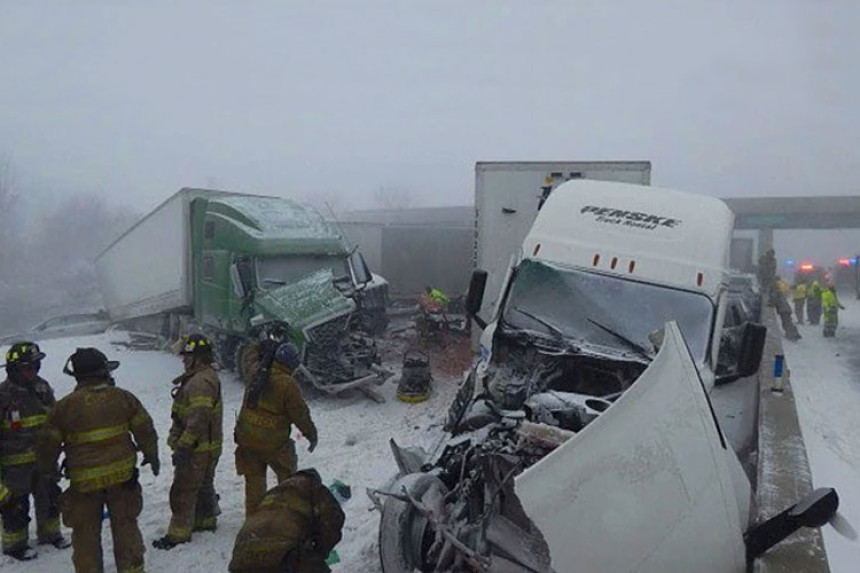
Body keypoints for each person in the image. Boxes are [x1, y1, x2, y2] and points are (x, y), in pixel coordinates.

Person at [37, 347, 159, 573]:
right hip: (123, 480)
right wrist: (152, 455)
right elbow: (145, 429)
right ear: (103, 371)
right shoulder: (123, 397)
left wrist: (47, 472)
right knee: (126, 527)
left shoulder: (63, 407)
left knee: (85, 535)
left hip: (84, 485)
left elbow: (47, 444)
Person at [235, 326, 318, 517]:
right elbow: (300, 415)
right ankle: (286, 515)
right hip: (273, 443)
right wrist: (311, 434)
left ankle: (254, 520)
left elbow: (249, 355)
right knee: (288, 477)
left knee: (254, 484)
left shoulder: (255, 371)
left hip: (247, 439)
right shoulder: (288, 385)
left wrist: (262, 344)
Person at [153, 333, 223, 550]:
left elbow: (199, 418)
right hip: (206, 447)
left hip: (196, 448)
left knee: (183, 490)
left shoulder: (200, 382)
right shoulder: (204, 377)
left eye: (187, 356)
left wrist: (183, 446)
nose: (183, 360)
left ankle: (177, 535)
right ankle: (205, 521)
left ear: (198, 358)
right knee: (203, 485)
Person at [0, 342, 68, 561]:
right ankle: (15, 546)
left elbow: (56, 419)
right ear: (14, 368)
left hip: (45, 459)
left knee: (50, 497)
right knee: (16, 505)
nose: (33, 371)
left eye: (36, 366)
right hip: (15, 466)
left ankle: (50, 534)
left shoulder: (43, 388)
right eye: (28, 367)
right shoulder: (3, 395)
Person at [228, 468, 345, 573]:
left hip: (241, 558)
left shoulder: (273, 494)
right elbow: (333, 518)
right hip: (283, 555)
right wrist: (320, 551)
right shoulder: (312, 486)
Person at [772, 277, 801, 341]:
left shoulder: (777, 293)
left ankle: (792, 334)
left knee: (786, 322)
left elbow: (774, 302)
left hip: (783, 310)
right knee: (788, 321)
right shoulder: (782, 290)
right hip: (786, 309)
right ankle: (794, 333)